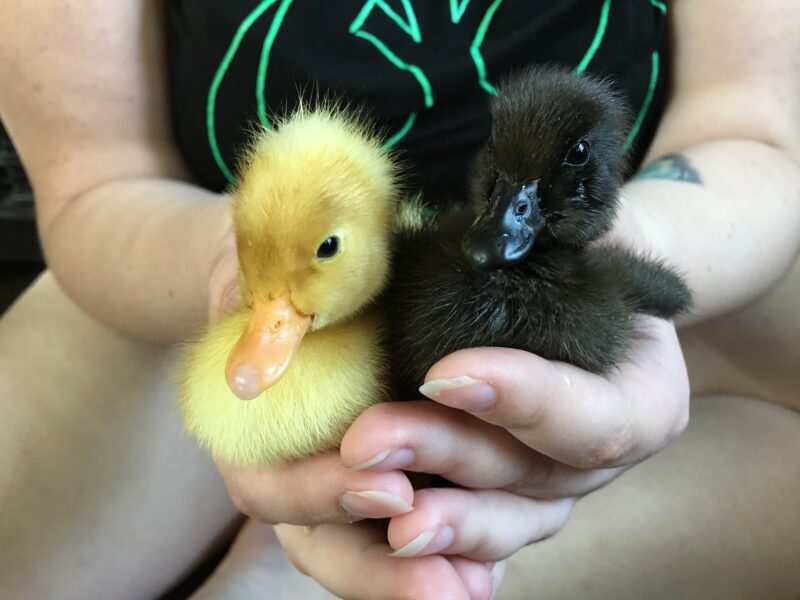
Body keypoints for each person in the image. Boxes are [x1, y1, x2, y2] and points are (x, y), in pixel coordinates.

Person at [0, 1, 798, 598]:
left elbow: (755, 128)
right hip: (192, 256)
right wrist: (237, 265)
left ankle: (322, 564)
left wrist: (603, 259)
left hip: (667, 238)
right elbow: (97, 178)